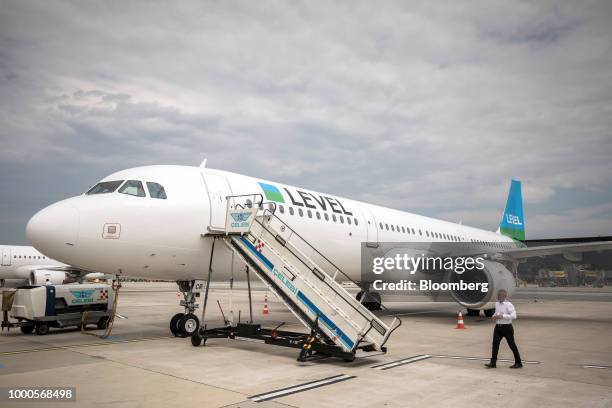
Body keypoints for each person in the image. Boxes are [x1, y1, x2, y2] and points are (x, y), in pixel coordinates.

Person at [485, 289, 523, 369]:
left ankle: (518, 363)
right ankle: (493, 363)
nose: (499, 297)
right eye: (498, 295)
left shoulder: (508, 305)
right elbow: (496, 313)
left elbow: (514, 316)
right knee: (495, 345)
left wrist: (503, 316)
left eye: (501, 295)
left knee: (512, 345)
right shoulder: (496, 304)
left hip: (507, 328)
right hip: (498, 328)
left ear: (505, 296)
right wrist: (494, 316)